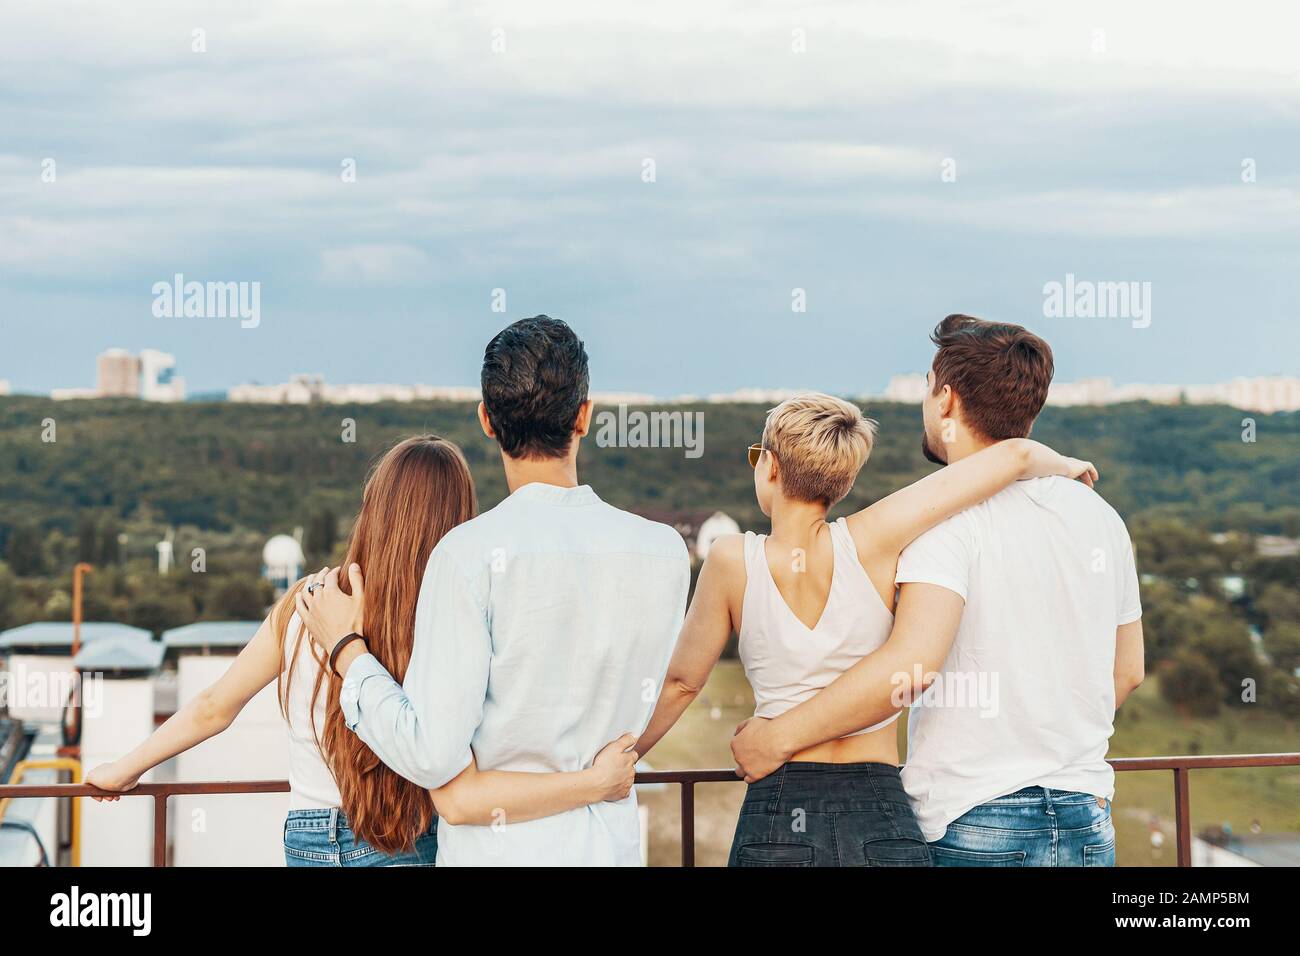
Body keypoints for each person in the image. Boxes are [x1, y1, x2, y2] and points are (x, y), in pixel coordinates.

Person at [85, 435, 639, 867]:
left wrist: (124, 768)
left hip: (306, 838)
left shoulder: (306, 602)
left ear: (372, 507)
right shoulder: (454, 612)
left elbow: (214, 708)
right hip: (407, 839)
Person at [732, 314, 1145, 867]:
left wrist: (776, 739)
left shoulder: (943, 524)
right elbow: (1128, 671)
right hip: (1086, 820)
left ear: (946, 400)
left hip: (975, 823)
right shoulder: (1100, 517)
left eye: (928, 389)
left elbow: (911, 668)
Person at [634, 385, 1099, 867]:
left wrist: (628, 756)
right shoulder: (876, 539)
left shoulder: (732, 560)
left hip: (780, 802)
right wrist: (1065, 467)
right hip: (881, 809)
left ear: (769, 466)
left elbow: (682, 682)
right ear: (843, 480)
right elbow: (1017, 455)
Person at [298, 316, 690, 866]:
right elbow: (672, 686)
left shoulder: (467, 556)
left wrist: (348, 652)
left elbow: (433, 755)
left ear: (486, 419)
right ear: (584, 415)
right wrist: (596, 778)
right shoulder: (664, 552)